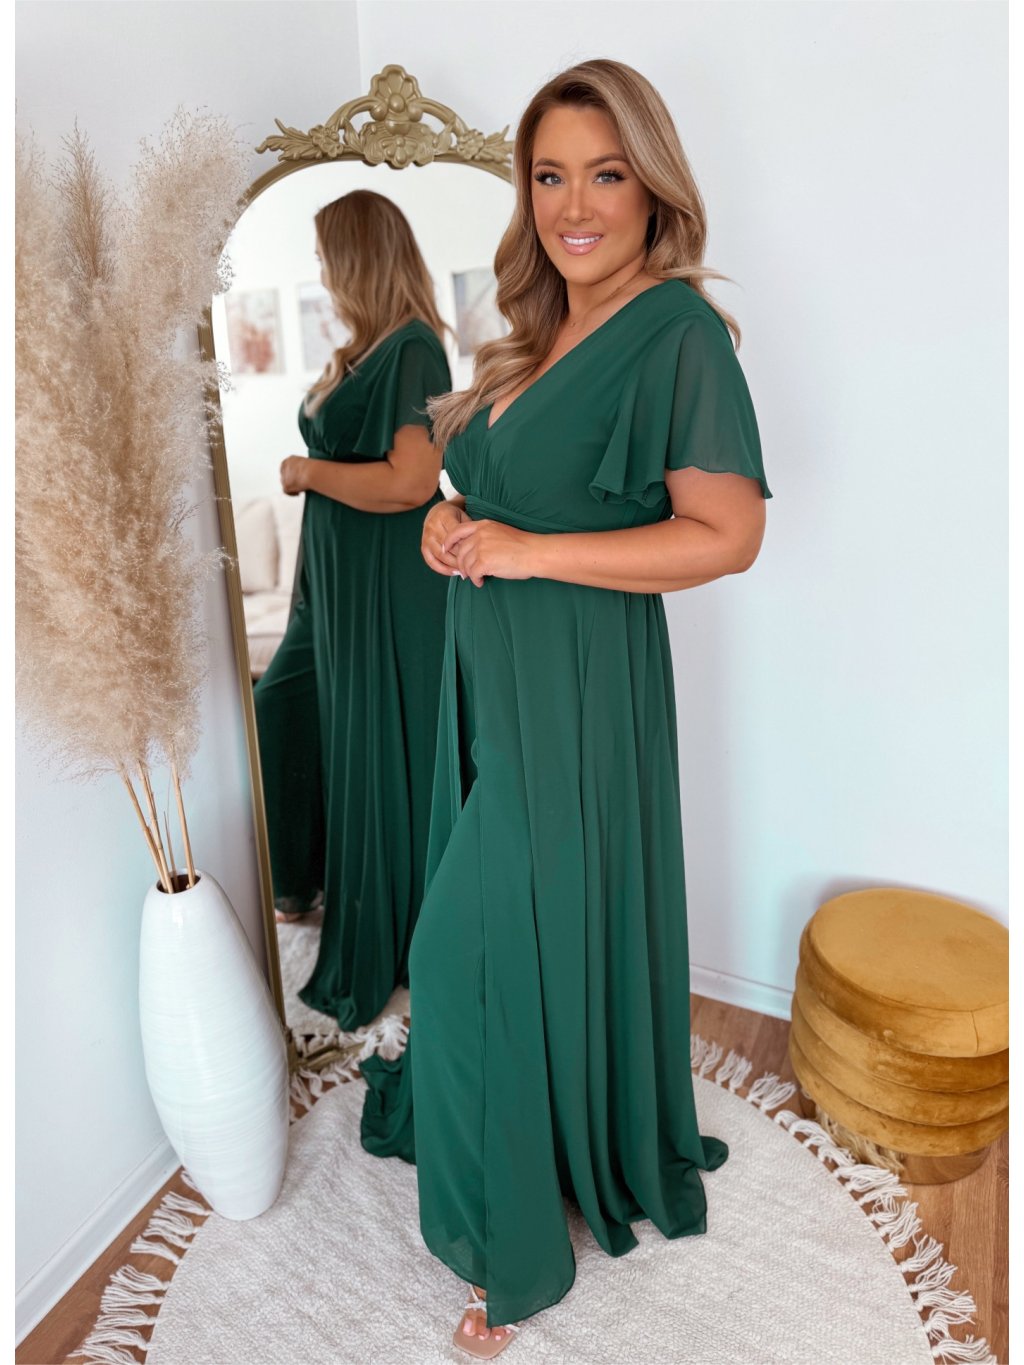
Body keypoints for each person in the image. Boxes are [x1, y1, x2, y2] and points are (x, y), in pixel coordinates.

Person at [359, 59, 772, 1357]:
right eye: (550, 175)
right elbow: (478, 489)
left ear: (653, 190)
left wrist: (531, 552)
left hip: (580, 683)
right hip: (492, 671)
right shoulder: (538, 330)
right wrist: (445, 523)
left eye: (606, 174)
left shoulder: (676, 332)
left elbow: (728, 533)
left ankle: (515, 1254)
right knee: (514, 932)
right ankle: (554, 1140)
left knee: (459, 954)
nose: (575, 205)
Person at [253, 190, 452, 1031]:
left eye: (328, 256)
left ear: (359, 258)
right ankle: (305, 880)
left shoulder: (414, 348)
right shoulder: (364, 352)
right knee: (279, 707)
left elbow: (411, 481)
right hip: (333, 580)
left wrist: (306, 472)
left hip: (387, 580)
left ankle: (389, 922)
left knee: (381, 743)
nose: (322, 271)